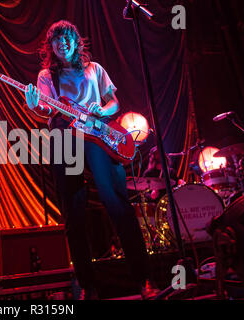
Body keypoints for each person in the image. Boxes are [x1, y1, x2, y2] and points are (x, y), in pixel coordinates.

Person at [24, 20, 158, 300]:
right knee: (73, 211)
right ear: (51, 47)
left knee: (117, 203)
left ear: (76, 42)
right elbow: (43, 110)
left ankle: (143, 279)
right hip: (64, 136)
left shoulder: (94, 69)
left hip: (99, 135)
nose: (62, 44)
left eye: (66, 39)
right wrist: (33, 103)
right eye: (56, 41)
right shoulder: (46, 76)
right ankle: (87, 285)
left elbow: (114, 104)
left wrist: (102, 108)